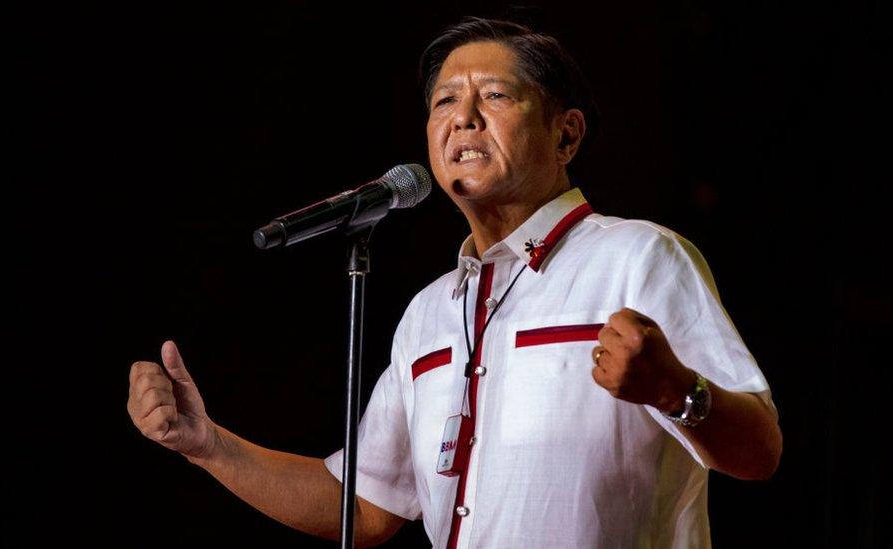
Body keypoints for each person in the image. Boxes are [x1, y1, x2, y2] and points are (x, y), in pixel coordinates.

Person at [127, 17, 782, 548]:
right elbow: (365, 505)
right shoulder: (429, 313)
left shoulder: (639, 258)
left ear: (567, 133)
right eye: (445, 100)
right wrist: (207, 444)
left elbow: (760, 449)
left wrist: (676, 390)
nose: (463, 116)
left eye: (494, 95)